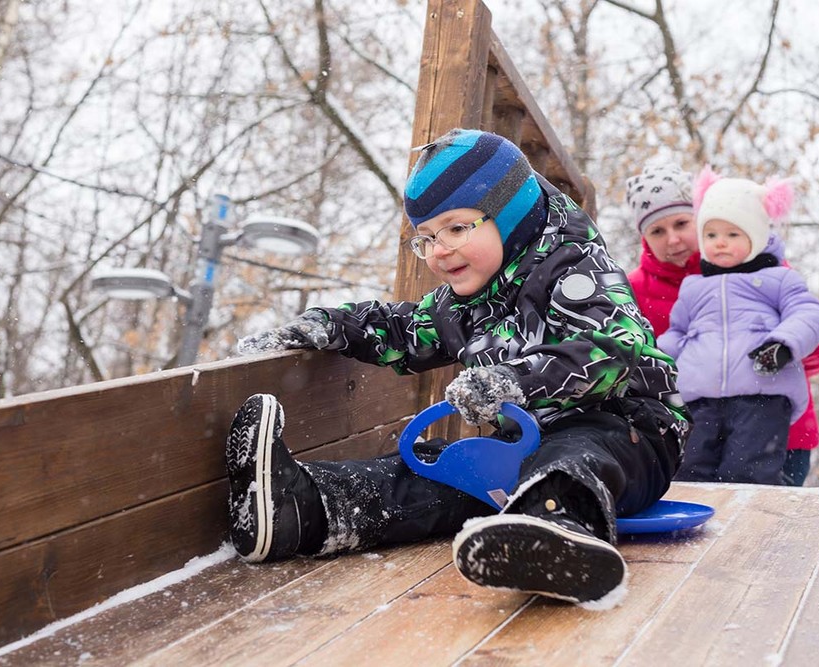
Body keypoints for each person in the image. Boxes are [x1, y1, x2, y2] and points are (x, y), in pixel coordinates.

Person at [226, 128, 689, 607]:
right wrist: (332, 325)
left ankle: (553, 528)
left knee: (579, 446)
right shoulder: (466, 303)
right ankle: (303, 506)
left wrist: (514, 382)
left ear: (509, 215)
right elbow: (405, 331)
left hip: (634, 431)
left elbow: (614, 347)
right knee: (440, 471)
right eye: (425, 237)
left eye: (455, 228)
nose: (438, 250)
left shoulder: (573, 267)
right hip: (526, 448)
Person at [625, 164, 819, 485]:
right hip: (700, 416)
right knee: (692, 486)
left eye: (681, 223)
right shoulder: (638, 289)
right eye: (657, 231)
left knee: (757, 504)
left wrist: (785, 346)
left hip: (775, 428)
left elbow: (818, 341)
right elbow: (662, 345)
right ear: (644, 238)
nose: (673, 239)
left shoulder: (763, 271)